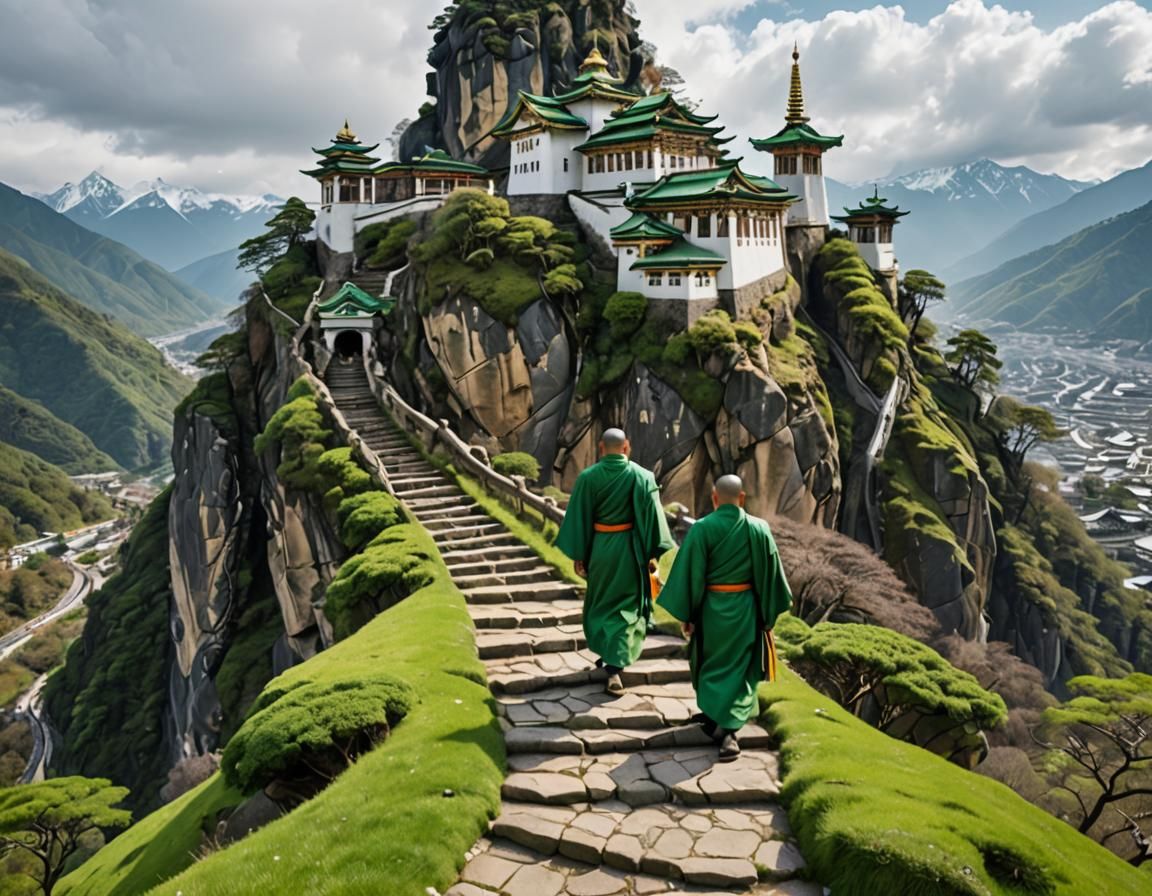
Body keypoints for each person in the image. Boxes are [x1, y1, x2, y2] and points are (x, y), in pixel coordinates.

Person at [658, 474, 792, 761]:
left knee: (711, 664)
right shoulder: (759, 528)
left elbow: (691, 574)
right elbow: (770, 576)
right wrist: (766, 615)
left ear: (714, 498)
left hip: (711, 610)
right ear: (742, 498)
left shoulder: (702, 529)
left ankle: (727, 730)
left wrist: (689, 614)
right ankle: (723, 724)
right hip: (745, 610)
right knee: (739, 669)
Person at [557, 428, 674, 696]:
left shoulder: (588, 478)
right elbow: (654, 520)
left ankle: (611, 663)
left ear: (601, 448)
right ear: (627, 447)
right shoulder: (643, 477)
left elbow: (579, 518)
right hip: (630, 553)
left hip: (600, 550)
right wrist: (651, 554)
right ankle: (614, 666)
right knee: (626, 609)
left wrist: (579, 554)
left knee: (601, 603)